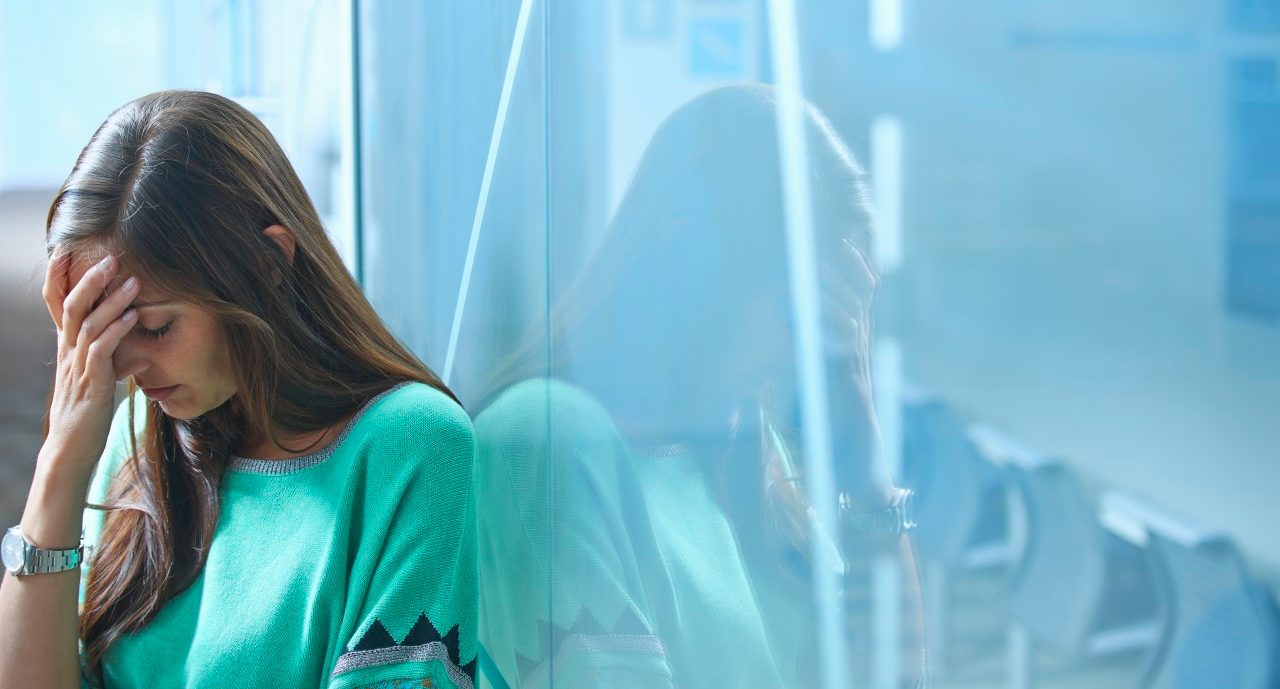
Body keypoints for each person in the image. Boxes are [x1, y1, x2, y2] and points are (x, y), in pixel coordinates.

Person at [0, 90, 478, 689]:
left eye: (153, 327)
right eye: (98, 330)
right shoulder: (130, 442)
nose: (123, 367)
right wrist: (60, 466)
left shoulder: (411, 448)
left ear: (270, 261)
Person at [472, 84, 926, 688]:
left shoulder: (747, 453)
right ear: (685, 257)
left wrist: (866, 475)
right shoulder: (547, 442)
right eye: (796, 313)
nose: (812, 353)